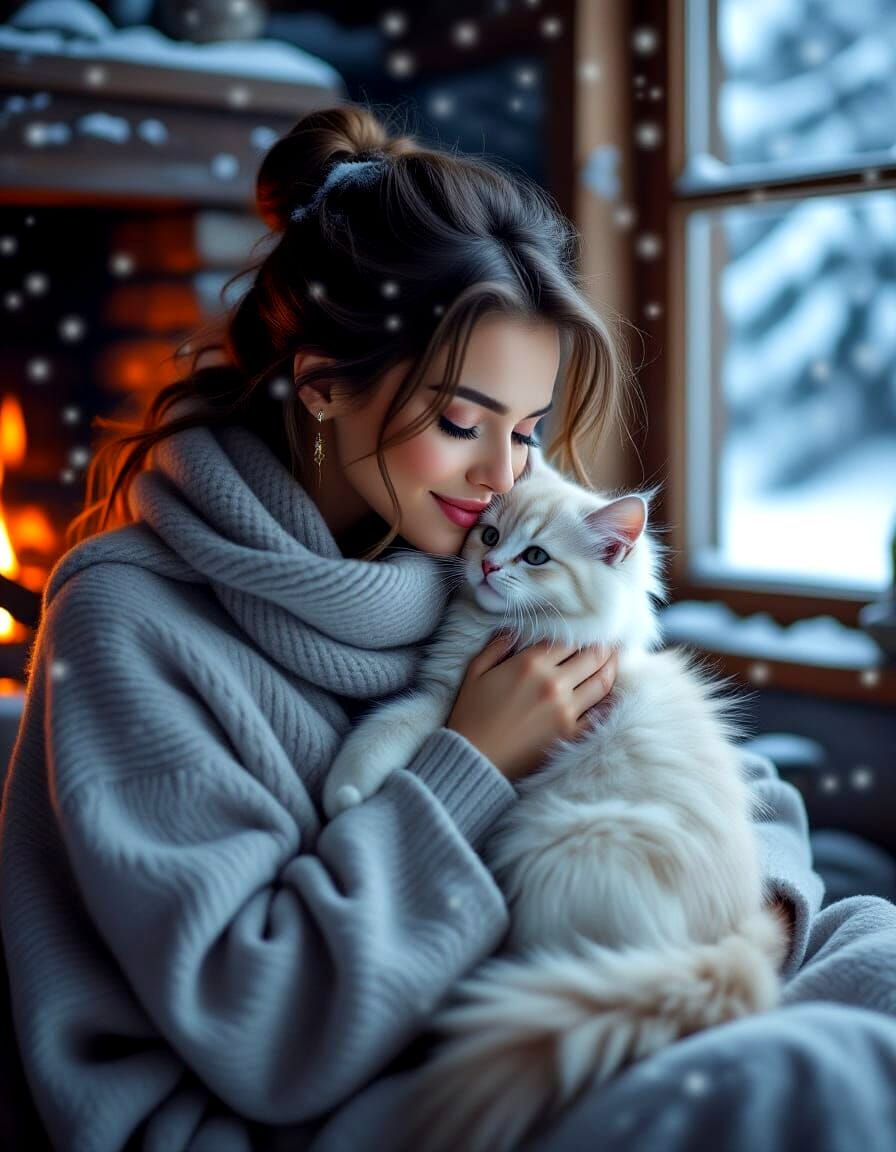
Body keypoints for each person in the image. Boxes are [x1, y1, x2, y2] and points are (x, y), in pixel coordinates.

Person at [1, 102, 890, 1152]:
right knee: (810, 1080)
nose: (502, 475)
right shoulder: (128, 615)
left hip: (566, 973)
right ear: (324, 389)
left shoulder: (475, 540)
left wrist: (756, 920)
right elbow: (260, 1016)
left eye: (527, 430)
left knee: (872, 950)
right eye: (462, 423)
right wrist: (470, 758)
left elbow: (742, 798)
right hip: (305, 1081)